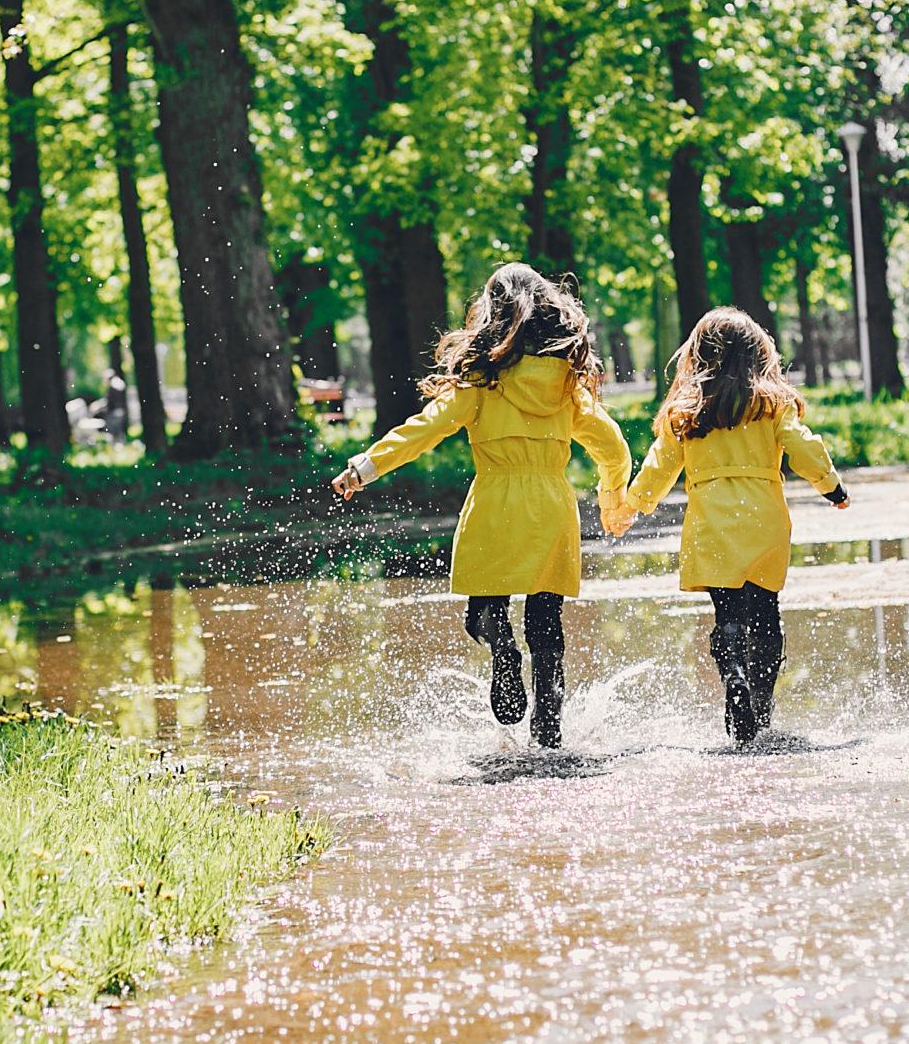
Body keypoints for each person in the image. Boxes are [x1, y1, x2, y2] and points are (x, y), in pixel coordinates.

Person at [332, 263, 631, 748]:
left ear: (492, 316)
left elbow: (425, 429)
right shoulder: (565, 387)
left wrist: (366, 467)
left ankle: (502, 650)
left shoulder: (480, 381)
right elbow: (613, 447)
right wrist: (612, 497)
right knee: (546, 625)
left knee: (482, 613)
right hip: (552, 507)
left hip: (495, 504)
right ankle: (549, 731)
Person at [603, 307, 848, 744]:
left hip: (712, 522)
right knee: (766, 612)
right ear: (758, 354)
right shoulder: (772, 404)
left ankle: (733, 676)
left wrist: (631, 506)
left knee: (728, 614)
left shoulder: (687, 412)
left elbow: (660, 465)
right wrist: (831, 486)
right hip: (764, 520)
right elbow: (802, 445)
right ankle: (762, 707)